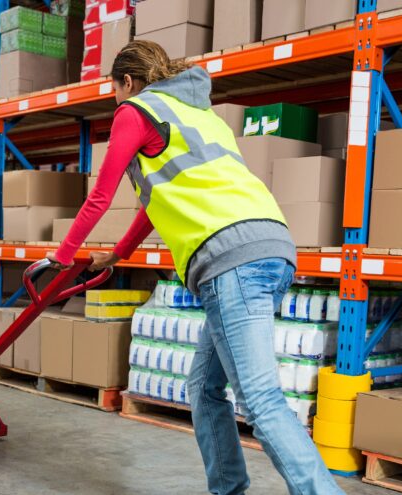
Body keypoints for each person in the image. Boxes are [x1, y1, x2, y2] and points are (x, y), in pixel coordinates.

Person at [47, 41, 343, 495]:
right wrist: (119, 255)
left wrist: (62, 255)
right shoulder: (199, 114)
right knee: (203, 388)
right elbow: (155, 203)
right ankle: (227, 488)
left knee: (260, 401)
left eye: (114, 91)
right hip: (271, 247)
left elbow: (100, 196)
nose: (115, 102)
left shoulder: (136, 111)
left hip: (232, 262)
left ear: (127, 82)